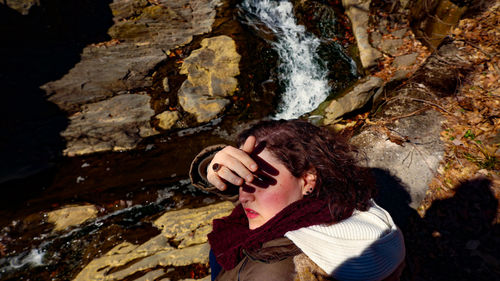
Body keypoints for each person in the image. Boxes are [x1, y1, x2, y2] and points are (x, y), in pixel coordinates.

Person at [189, 119, 405, 281]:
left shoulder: (273, 268)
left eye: (259, 179)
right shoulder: (341, 206)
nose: (243, 196)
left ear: (308, 179)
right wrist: (210, 166)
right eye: (240, 179)